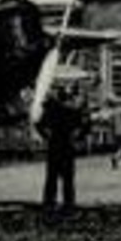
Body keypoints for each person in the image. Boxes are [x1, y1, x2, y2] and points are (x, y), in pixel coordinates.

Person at [38, 80, 85, 216]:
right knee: (68, 178)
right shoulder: (72, 109)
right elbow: (83, 126)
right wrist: (76, 136)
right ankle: (68, 205)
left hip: (54, 144)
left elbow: (39, 125)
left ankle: (49, 204)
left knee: (51, 177)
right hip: (67, 145)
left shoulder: (51, 109)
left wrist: (47, 135)